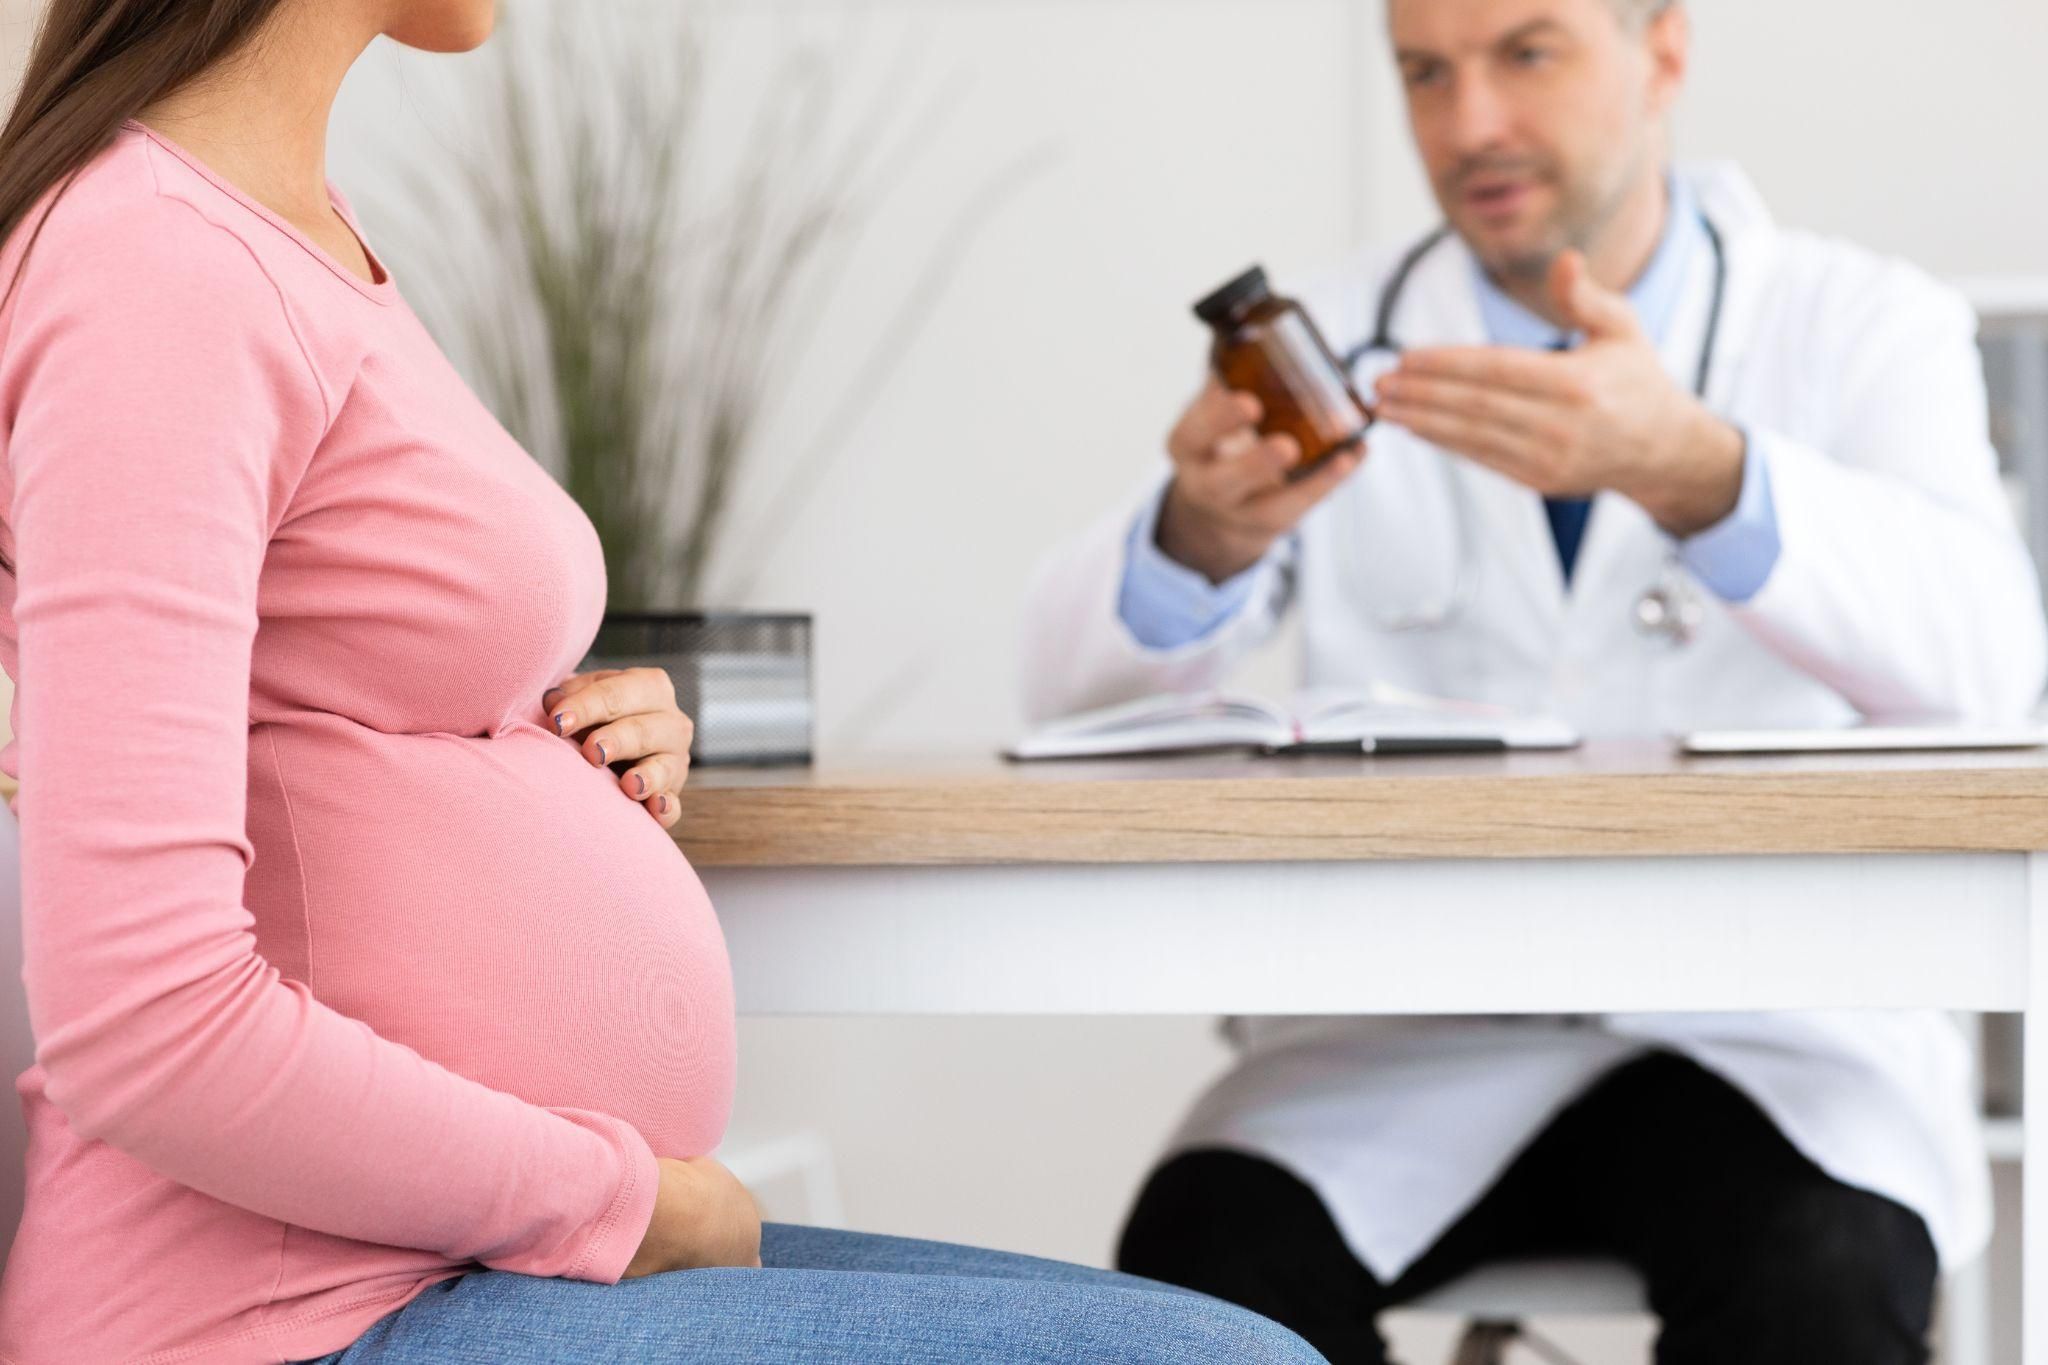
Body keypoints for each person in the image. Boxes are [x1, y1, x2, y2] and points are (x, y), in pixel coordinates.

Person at [0, 4, 1326, 1363]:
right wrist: (618, 1200)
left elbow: (313, 687)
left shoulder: (282, 232)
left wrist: (541, 725)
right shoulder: (156, 264)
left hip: (447, 1261)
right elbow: (145, 1024)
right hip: (287, 1314)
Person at [1020, 0, 2048, 1361]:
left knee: (1823, 1277)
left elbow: (1993, 667)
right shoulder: (1330, 348)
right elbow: (1058, 700)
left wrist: (1701, 472)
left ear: (1664, 51)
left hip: (1774, 1033)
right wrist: (1199, 537)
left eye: (1528, 52)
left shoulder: (1859, 326)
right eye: (1424, 73)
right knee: (1200, 1275)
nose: (1470, 125)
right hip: (1412, 1033)